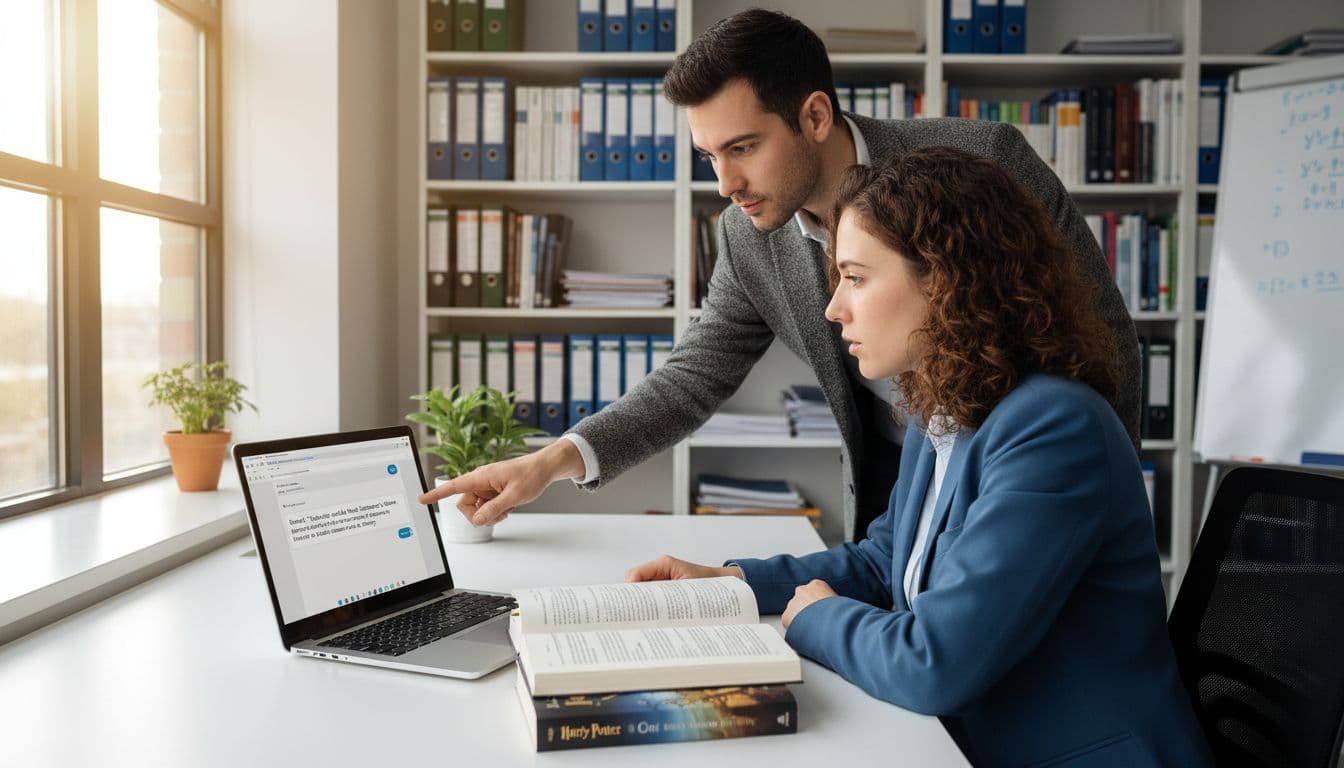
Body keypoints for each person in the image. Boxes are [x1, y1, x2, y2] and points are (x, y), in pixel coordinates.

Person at [420, 9, 1141, 544]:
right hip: (901, 475)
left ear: (816, 115)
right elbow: (694, 374)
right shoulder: (748, 234)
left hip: (1029, 471)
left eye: (743, 147)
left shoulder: (984, 159)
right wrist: (550, 462)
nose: (727, 182)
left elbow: (1102, 340)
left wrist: (1096, 505)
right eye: (709, 156)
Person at [626, 148, 1213, 768]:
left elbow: (937, 664)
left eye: (855, 277)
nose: (834, 309)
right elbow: (887, 561)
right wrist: (736, 585)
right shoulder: (950, 404)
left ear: (944, 278)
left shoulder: (1053, 429)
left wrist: (819, 619)